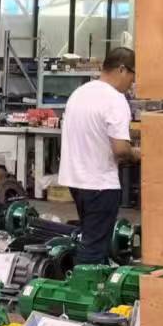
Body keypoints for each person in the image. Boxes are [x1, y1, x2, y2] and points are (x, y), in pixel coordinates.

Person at [59, 47, 141, 266]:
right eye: (133, 75)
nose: (132, 83)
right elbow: (120, 149)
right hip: (100, 184)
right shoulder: (115, 99)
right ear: (122, 69)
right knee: (93, 249)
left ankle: (93, 279)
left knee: (91, 239)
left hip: (76, 181)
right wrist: (138, 154)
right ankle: (84, 285)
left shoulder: (80, 93)